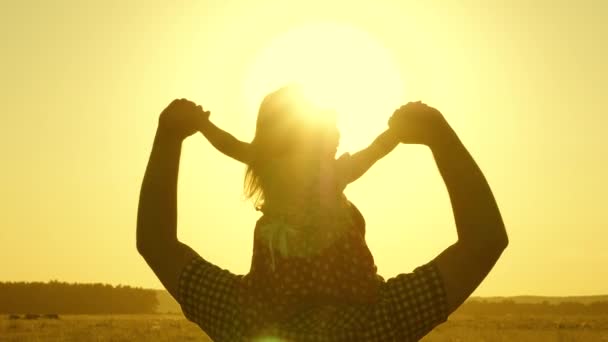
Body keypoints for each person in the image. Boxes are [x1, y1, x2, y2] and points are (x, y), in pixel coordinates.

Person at [137, 92, 508, 341]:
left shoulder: (241, 321)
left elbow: (156, 243)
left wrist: (174, 134)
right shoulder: (381, 322)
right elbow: (484, 240)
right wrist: (434, 134)